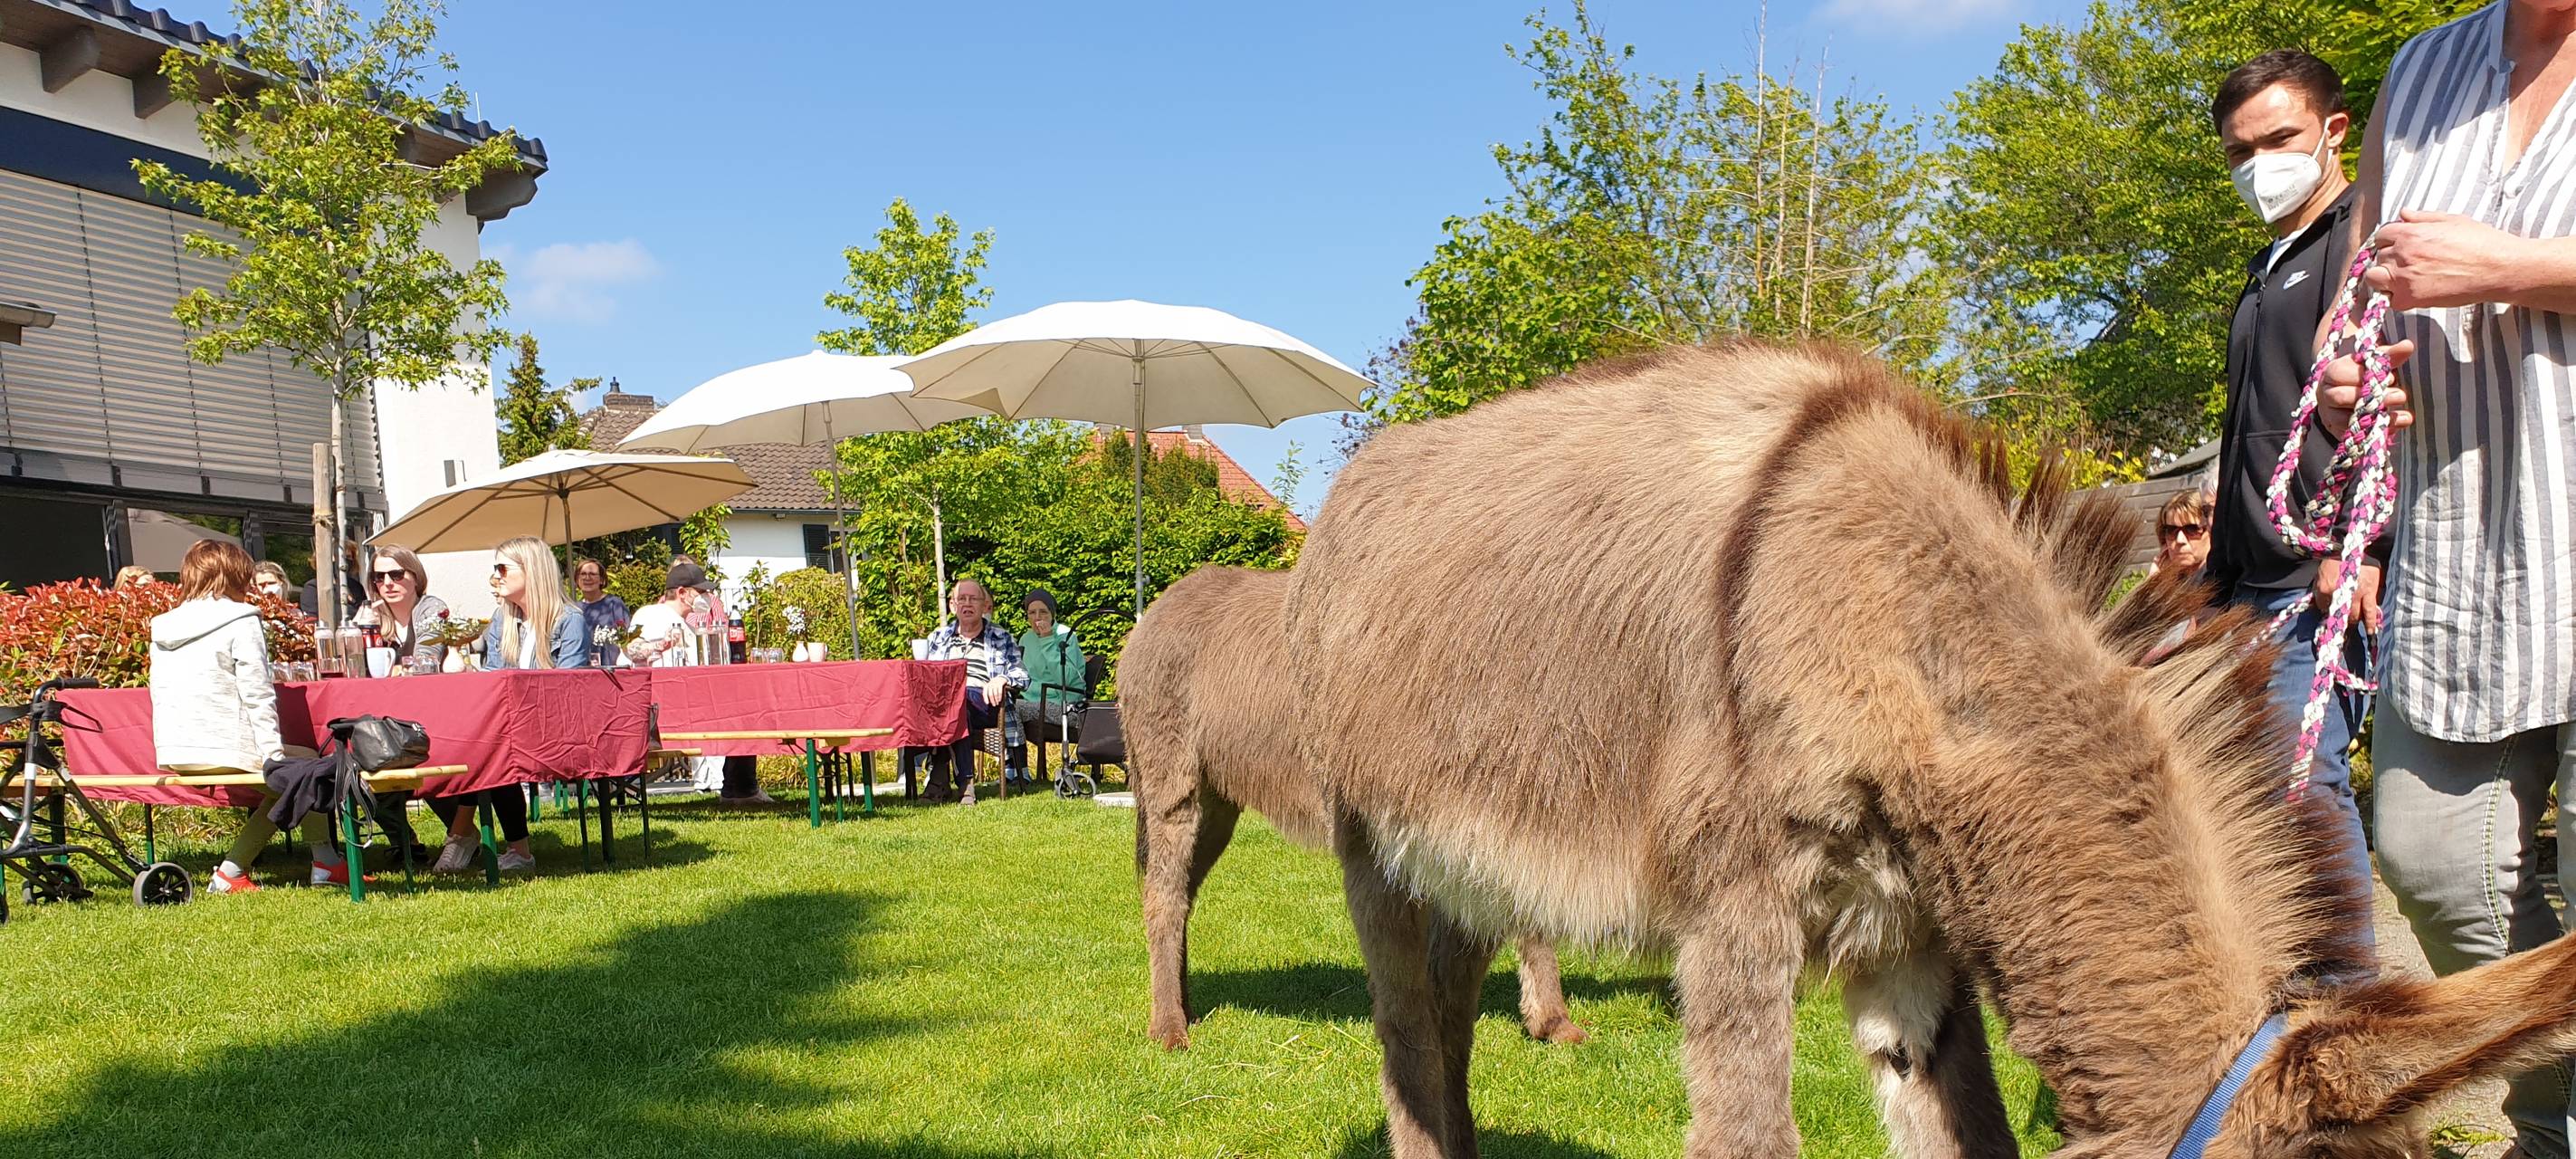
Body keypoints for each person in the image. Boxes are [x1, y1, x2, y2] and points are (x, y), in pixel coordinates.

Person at [2316, 5, 2576, 1154]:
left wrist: (2514, 268)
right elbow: (2360, 281)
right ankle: (2555, 1107)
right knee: (2426, 855)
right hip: (2465, 532)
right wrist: (2342, 370)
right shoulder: (2420, 68)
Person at [147, 541, 348, 893]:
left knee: (295, 774)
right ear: (235, 576)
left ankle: (248, 870)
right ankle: (317, 863)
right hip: (225, 745)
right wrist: (274, 756)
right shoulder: (241, 620)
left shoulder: (162, 627)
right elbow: (257, 693)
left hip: (177, 750)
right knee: (308, 769)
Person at [429, 536, 587, 875]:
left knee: (487, 746)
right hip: (509, 726)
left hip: (555, 726)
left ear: (532, 572)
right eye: (495, 569)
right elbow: (493, 679)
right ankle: (509, 849)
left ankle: (463, 835)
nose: (495, 577)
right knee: (469, 741)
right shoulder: (503, 620)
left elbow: (568, 688)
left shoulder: (569, 619)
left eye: (503, 568)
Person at [354, 543, 445, 862]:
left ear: (415, 577)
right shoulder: (371, 618)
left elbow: (427, 658)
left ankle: (459, 834)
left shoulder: (431, 608)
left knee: (426, 762)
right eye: (379, 578)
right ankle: (403, 839)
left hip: (433, 715)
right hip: (387, 717)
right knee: (361, 759)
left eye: (396, 574)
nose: (388, 583)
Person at [626, 560, 735, 797]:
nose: (707, 596)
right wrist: (659, 645)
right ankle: (725, 785)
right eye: (702, 591)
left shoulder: (689, 625)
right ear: (683, 593)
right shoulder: (653, 613)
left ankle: (723, 784)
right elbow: (631, 649)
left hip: (687, 703)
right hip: (657, 709)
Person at [921, 578, 1026, 805]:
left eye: (973, 599)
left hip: (985, 705)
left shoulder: (1001, 638)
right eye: (962, 599)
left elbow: (1023, 676)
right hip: (944, 709)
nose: (967, 604)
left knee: (963, 697)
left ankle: (940, 781)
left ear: (983, 605)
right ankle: (965, 783)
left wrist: (1001, 678)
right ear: (952, 606)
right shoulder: (937, 639)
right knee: (954, 705)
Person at [1008, 588, 1087, 787]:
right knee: (1003, 704)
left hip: (1066, 706)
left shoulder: (1065, 635)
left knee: (1012, 709)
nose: (1037, 617)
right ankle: (1013, 768)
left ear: (1052, 614)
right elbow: (1023, 674)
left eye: (1043, 612)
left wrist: (1047, 640)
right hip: (1035, 703)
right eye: (1032, 613)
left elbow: (1067, 678)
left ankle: (1020, 771)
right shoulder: (1026, 639)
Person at [571, 557, 629, 667]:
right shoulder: (574, 609)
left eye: (592, 574)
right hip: (582, 671)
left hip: (611, 670)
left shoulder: (614, 604)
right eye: (583, 574)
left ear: (602, 580)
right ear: (577, 580)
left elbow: (627, 640)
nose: (587, 578)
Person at [2147, 489, 2214, 580]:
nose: (2180, 539)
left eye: (2192, 529)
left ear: (2210, 531)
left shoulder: (2220, 579)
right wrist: (2156, 579)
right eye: (2172, 530)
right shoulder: (2171, 581)